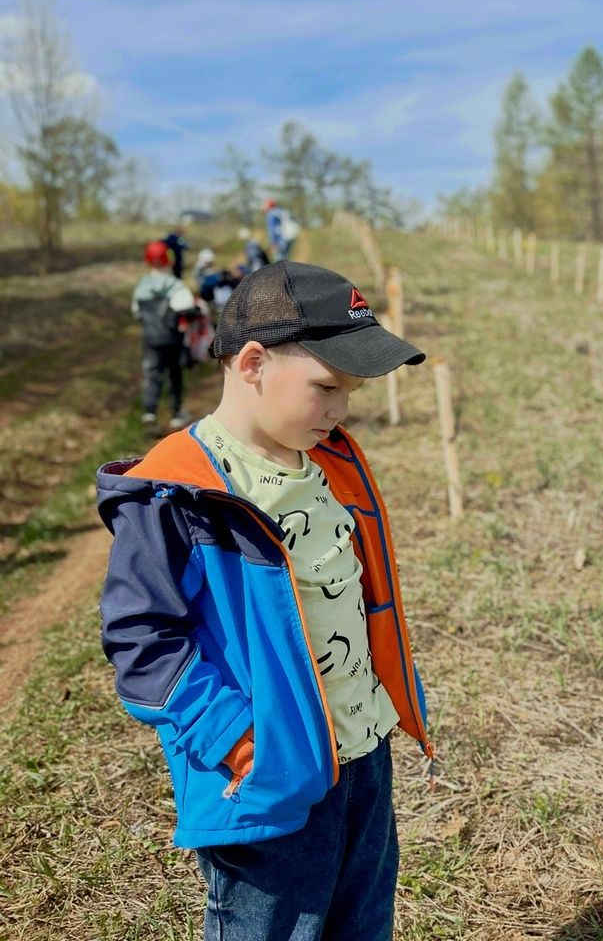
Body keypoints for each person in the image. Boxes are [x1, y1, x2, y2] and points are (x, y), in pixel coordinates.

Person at [97, 260, 433, 941]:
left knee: (362, 924)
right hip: (268, 777)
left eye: (353, 391)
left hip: (363, 754)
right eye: (327, 388)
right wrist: (239, 741)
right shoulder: (176, 494)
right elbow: (141, 641)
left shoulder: (328, 460)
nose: (342, 410)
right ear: (252, 362)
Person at [132, 240, 198, 428]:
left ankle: (149, 414)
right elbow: (185, 306)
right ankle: (177, 414)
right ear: (168, 259)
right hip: (173, 339)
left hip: (151, 339)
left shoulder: (142, 287)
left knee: (153, 375)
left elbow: (136, 312)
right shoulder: (174, 285)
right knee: (175, 375)